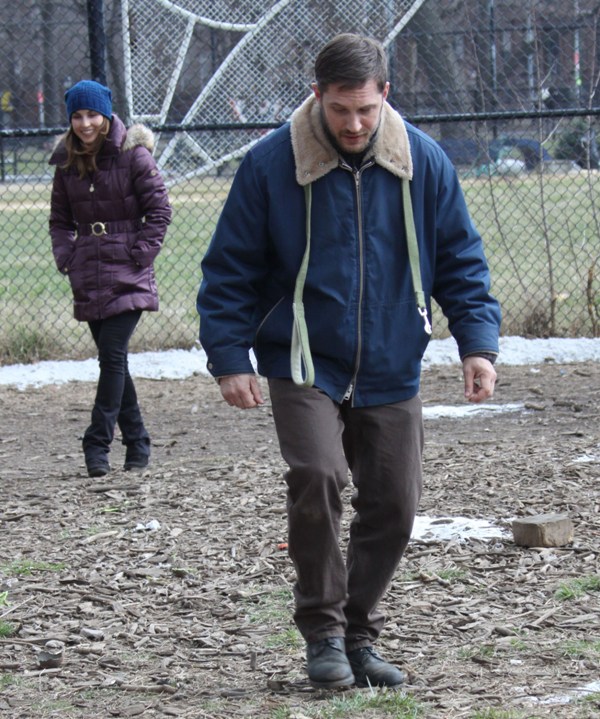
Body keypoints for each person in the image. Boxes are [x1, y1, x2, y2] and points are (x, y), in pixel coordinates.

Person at [197, 34, 501, 689]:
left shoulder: (422, 161)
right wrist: (229, 357)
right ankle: (324, 635)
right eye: (340, 109)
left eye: (366, 109)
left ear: (385, 94)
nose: (355, 123)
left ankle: (358, 634)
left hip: (392, 358)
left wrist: (477, 343)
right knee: (318, 474)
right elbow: (229, 269)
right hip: (304, 357)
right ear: (317, 96)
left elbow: (460, 259)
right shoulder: (271, 164)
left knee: (395, 503)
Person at [49, 80, 171, 478]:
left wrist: (140, 255)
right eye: (77, 116)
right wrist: (67, 255)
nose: (85, 123)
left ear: (106, 116)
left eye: (92, 115)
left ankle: (96, 442)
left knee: (113, 355)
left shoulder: (133, 155)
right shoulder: (66, 162)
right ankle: (138, 443)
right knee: (112, 359)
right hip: (87, 271)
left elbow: (159, 210)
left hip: (127, 271)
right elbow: (60, 220)